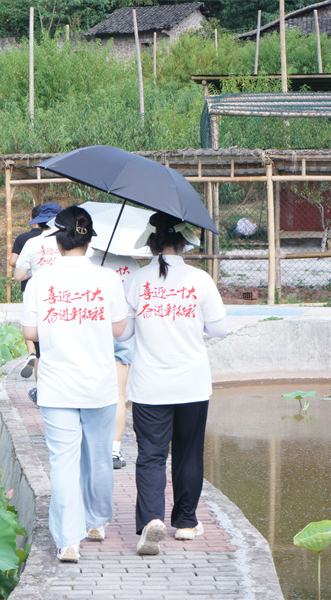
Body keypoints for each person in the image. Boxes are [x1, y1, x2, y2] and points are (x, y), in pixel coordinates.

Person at [20, 206, 128, 563]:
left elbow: (31, 333)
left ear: (57, 241)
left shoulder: (40, 281)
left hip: (57, 387)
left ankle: (69, 540)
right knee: (98, 457)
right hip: (98, 385)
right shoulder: (107, 279)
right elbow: (119, 330)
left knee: (63, 462)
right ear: (89, 240)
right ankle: (96, 522)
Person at [117, 211, 227, 556]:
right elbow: (219, 329)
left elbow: (125, 332)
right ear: (184, 242)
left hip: (150, 386)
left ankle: (152, 519)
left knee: (150, 456)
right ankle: (187, 523)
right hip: (192, 384)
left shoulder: (135, 281)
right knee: (188, 454)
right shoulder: (200, 279)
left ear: (151, 243)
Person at [90, 249, 141, 470]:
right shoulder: (133, 266)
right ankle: (114, 450)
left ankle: (92, 448)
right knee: (120, 393)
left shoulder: (90, 262)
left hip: (94, 331)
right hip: (122, 333)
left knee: (93, 390)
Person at [13, 202, 62, 403]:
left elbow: (18, 275)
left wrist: (35, 272)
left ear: (39, 223)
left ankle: (42, 393)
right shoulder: (67, 243)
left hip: (39, 302)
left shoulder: (31, 244)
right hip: (64, 302)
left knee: (41, 351)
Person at [9, 205, 46, 380]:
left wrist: (30, 270)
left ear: (33, 220)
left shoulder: (24, 238)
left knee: (30, 321)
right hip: (52, 290)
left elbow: (12, 261)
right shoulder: (61, 240)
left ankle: (32, 353)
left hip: (29, 287)